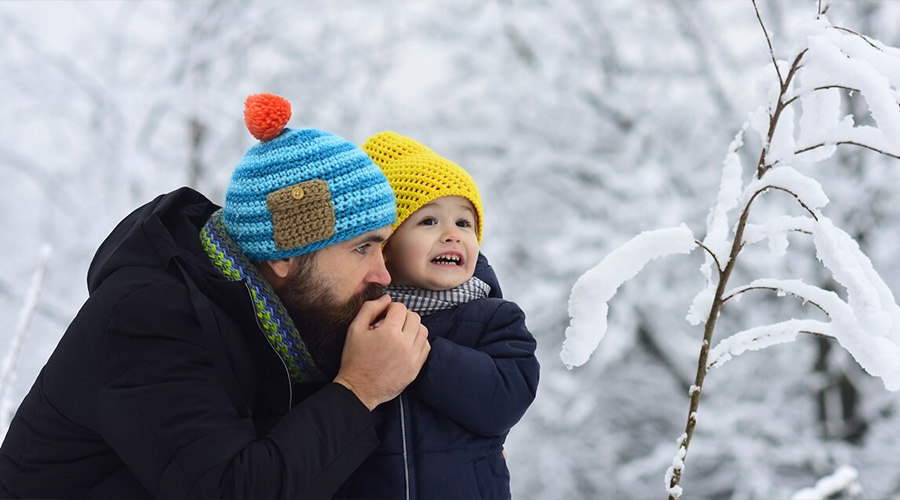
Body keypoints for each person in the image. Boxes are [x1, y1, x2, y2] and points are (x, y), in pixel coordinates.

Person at [0, 94, 431, 499]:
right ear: (285, 257)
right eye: (362, 248)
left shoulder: (279, 323)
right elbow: (231, 488)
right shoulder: (150, 317)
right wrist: (358, 390)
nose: (383, 274)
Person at [334, 132, 540, 500]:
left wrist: (419, 354)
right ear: (388, 246)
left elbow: (505, 399)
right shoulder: (355, 320)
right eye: (428, 221)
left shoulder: (494, 316)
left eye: (464, 223)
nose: (452, 235)